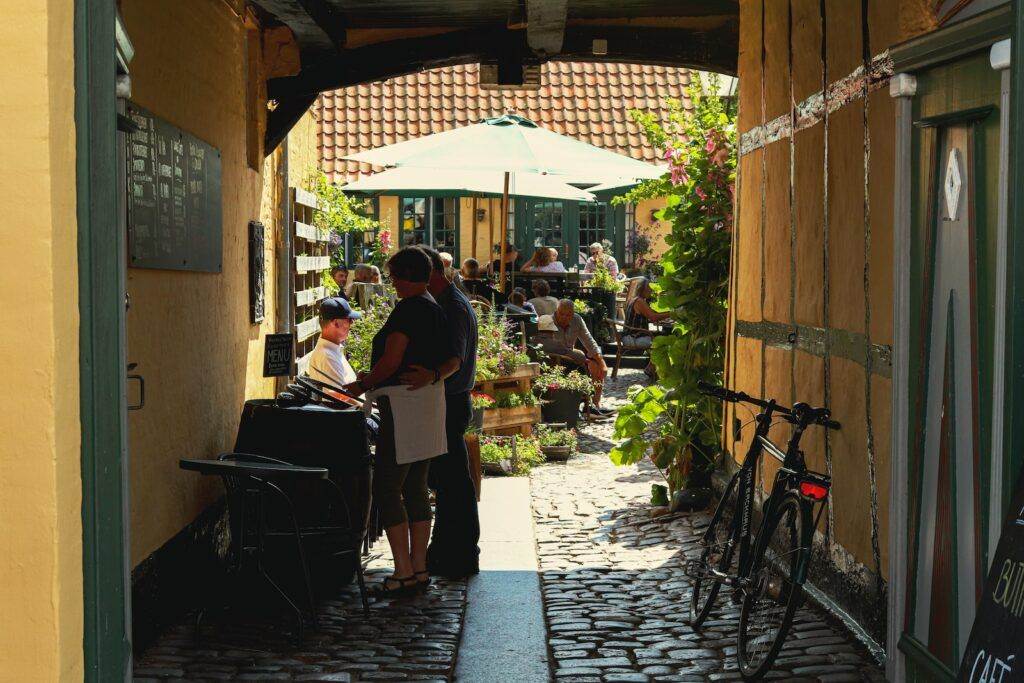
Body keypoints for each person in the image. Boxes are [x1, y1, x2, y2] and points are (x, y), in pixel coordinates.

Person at [343, 247, 457, 597]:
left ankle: (403, 570)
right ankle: (419, 567)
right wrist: (433, 374)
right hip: (429, 403)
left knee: (389, 486)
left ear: (407, 276)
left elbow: (392, 360)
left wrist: (362, 383)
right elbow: (455, 357)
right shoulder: (436, 308)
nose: (391, 281)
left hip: (403, 406)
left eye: (394, 275)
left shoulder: (408, 310)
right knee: (417, 486)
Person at [405, 246, 481, 578]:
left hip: (450, 402)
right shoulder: (444, 303)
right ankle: (449, 552)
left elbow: (455, 359)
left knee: (453, 482)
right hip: (444, 401)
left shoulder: (454, 306)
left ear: (431, 273)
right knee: (449, 482)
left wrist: (432, 376)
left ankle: (460, 554)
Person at [539, 299, 612, 417]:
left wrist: (602, 362)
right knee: (588, 362)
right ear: (556, 311)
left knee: (597, 367)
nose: (564, 317)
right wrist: (578, 356)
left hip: (572, 359)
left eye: (568, 315)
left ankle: (594, 405)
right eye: (561, 313)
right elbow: (548, 347)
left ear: (572, 314)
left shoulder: (576, 319)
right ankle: (587, 404)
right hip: (553, 361)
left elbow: (589, 340)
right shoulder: (548, 321)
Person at [624, 278, 671, 379]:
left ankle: (651, 367)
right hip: (634, 338)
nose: (651, 291)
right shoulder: (640, 301)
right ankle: (653, 369)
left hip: (630, 335)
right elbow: (653, 317)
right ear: (643, 289)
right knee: (663, 343)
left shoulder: (633, 299)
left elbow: (648, 316)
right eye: (649, 289)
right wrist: (672, 313)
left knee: (660, 339)